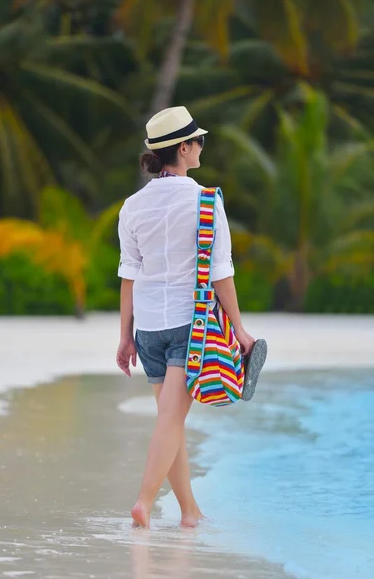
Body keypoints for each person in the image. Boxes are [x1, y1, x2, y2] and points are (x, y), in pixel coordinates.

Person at [116, 106, 255, 529]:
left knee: (168, 423)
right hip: (189, 327)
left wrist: (125, 337)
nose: (201, 146)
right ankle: (143, 502)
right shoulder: (206, 201)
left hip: (148, 329)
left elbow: (128, 274)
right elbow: (221, 274)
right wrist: (240, 330)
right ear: (183, 147)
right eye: (198, 140)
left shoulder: (131, 206)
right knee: (171, 422)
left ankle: (190, 513)